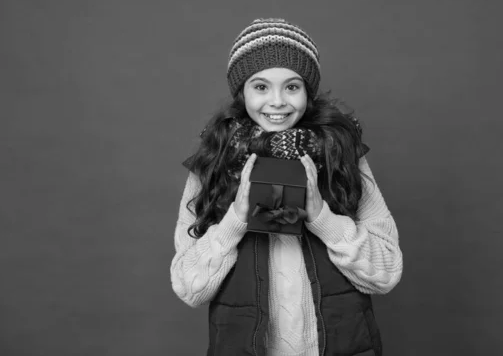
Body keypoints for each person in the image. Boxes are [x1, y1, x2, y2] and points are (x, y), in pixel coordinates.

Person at [170, 18, 403, 356]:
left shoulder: (342, 156)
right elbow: (189, 288)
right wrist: (235, 220)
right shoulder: (213, 163)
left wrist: (322, 218)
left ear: (308, 92)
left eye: (292, 86)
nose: (277, 101)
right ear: (242, 92)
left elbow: (385, 274)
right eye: (261, 87)